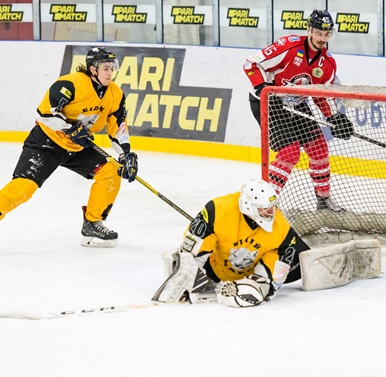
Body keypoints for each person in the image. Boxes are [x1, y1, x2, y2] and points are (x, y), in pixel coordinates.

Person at [0, 46, 138, 248]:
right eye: (106, 68)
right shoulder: (71, 84)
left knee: (110, 172)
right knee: (24, 187)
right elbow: (45, 113)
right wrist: (69, 128)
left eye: (112, 68)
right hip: (47, 142)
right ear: (93, 69)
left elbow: (118, 127)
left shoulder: (115, 94)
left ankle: (92, 224)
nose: (110, 73)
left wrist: (126, 154)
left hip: (78, 146)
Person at [243, 9, 354, 212]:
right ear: (309, 29)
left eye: (327, 34)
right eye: (319, 33)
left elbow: (321, 94)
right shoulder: (289, 46)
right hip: (269, 102)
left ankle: (324, 201)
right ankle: (265, 205)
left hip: (296, 104)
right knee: (289, 153)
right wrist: (262, 88)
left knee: (319, 148)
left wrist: (334, 118)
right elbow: (250, 63)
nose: (322, 38)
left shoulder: (327, 63)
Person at [152, 178, 312, 307]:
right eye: (265, 209)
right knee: (186, 269)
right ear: (249, 207)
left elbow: (275, 272)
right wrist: (187, 271)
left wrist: (262, 286)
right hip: (212, 267)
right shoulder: (218, 210)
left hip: (246, 273)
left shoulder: (281, 228)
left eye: (272, 207)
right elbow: (192, 247)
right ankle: (181, 265)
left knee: (261, 288)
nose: (271, 213)